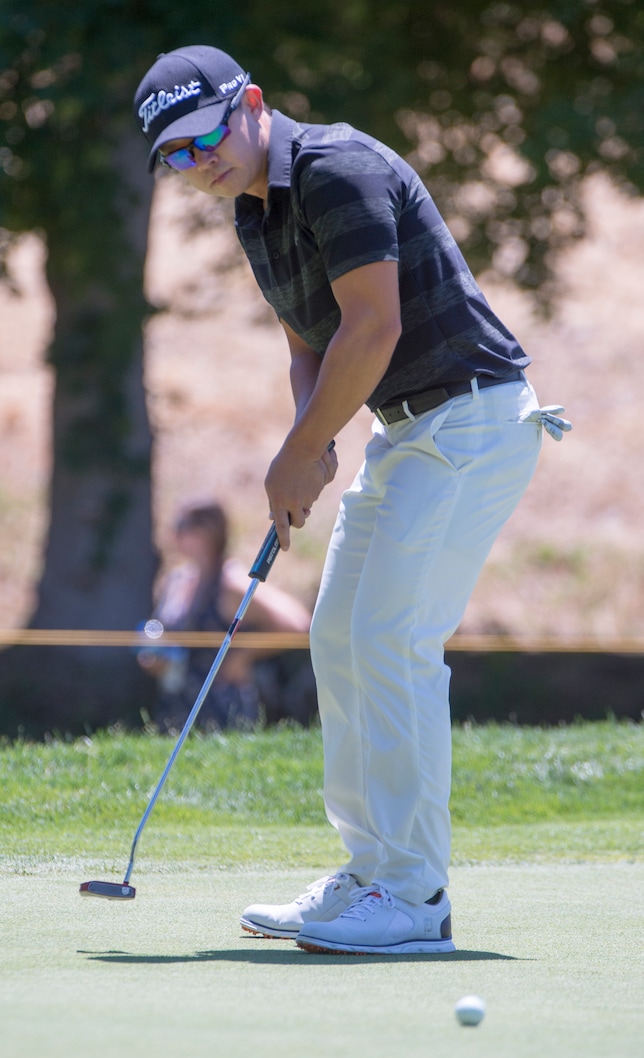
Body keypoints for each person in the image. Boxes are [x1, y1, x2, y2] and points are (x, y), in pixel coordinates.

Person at [133, 45, 571, 955]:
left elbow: (375, 325)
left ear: (250, 104)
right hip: (408, 431)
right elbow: (310, 344)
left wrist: (298, 451)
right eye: (174, 156)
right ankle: (370, 875)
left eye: (206, 136)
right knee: (338, 636)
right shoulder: (255, 213)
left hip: (472, 419)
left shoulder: (337, 169)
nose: (197, 162)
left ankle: (415, 896)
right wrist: (315, 437)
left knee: (390, 640)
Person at [138, 500, 313, 731]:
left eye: (184, 525)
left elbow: (298, 625)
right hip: (175, 706)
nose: (175, 533)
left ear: (209, 531)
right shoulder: (178, 580)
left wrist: (243, 657)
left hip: (223, 708)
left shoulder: (230, 584)